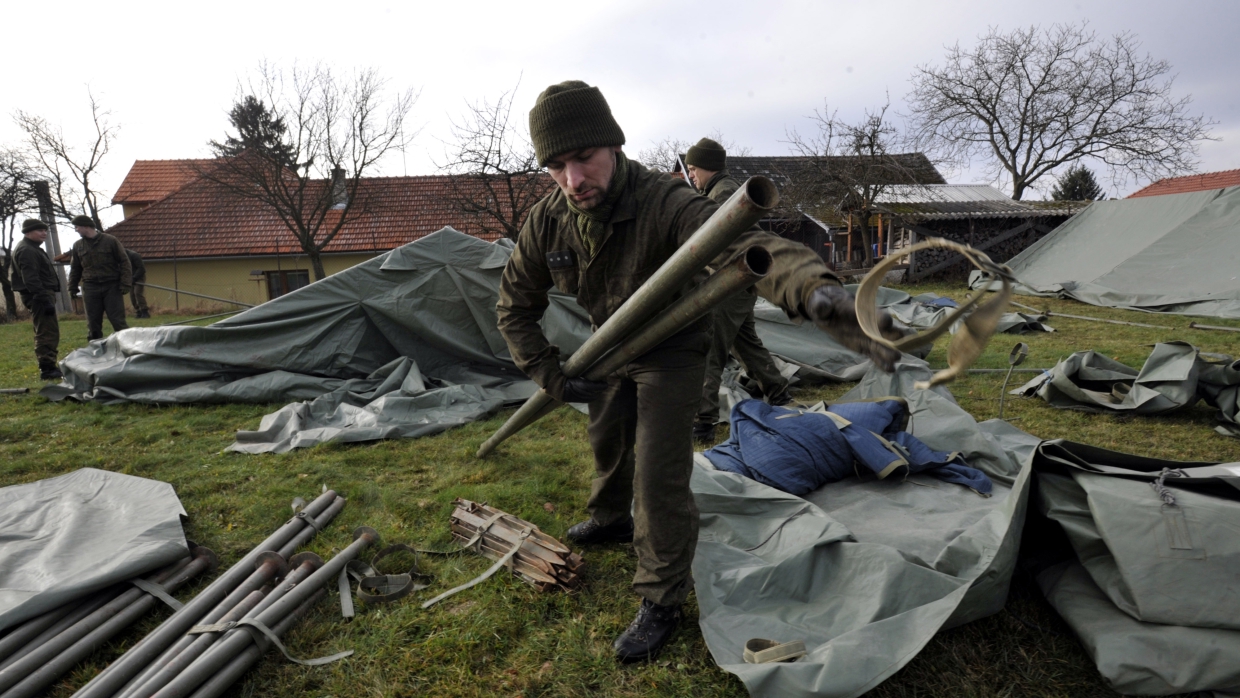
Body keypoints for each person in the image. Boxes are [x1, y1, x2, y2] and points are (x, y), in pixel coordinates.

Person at [496, 81, 899, 662]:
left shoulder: (665, 200)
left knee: (658, 475)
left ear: (613, 145)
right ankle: (610, 517)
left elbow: (744, 244)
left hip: (673, 347)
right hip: (607, 346)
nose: (573, 179)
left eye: (584, 158)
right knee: (607, 438)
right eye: (556, 166)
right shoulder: (549, 220)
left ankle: (660, 596)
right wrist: (548, 372)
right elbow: (514, 304)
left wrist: (823, 299)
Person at [683, 137, 792, 443]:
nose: (691, 175)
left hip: (730, 281)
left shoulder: (724, 193)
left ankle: (702, 422)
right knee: (746, 345)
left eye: (693, 168)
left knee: (709, 350)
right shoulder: (720, 190)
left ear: (708, 167)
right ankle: (779, 393)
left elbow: (713, 238)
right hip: (738, 281)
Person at [11, 218, 63, 379]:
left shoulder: (32, 248)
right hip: (38, 296)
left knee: (46, 330)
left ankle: (49, 366)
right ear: (28, 232)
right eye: (39, 230)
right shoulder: (27, 250)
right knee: (46, 331)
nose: (44, 233)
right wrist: (43, 298)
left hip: (39, 294)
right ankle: (47, 368)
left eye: (45, 230)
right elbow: (31, 278)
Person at [67, 215, 132, 340]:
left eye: (77, 227)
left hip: (111, 286)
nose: (76, 230)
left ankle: (128, 345)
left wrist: (125, 283)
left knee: (118, 320)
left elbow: (124, 262)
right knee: (93, 322)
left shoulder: (110, 240)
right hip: (90, 287)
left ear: (86, 226)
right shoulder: (78, 245)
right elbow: (75, 268)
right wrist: (72, 287)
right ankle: (95, 350)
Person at [125, 248, 150, 318]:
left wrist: (134, 278)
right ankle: (138, 311)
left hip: (139, 277)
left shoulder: (134, 255)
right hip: (130, 277)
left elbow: (141, 268)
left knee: (137, 293)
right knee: (132, 295)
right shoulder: (121, 257)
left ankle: (144, 311)